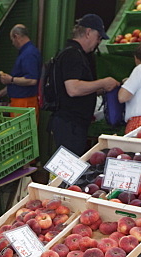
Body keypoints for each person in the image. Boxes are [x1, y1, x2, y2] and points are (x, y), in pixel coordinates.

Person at [47, 14, 119, 156]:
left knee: (70, 169)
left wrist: (102, 88)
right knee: (68, 171)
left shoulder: (79, 54)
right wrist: (103, 82)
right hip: (69, 125)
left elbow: (83, 87)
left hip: (73, 125)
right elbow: (73, 89)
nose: (98, 42)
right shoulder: (72, 55)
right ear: (88, 32)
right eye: (98, 37)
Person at [0, 25, 41, 111]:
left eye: (12, 40)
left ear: (16, 36)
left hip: (25, 103)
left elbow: (32, 80)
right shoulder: (25, 52)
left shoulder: (29, 54)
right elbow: (15, 82)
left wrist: (11, 79)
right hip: (20, 102)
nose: (12, 43)